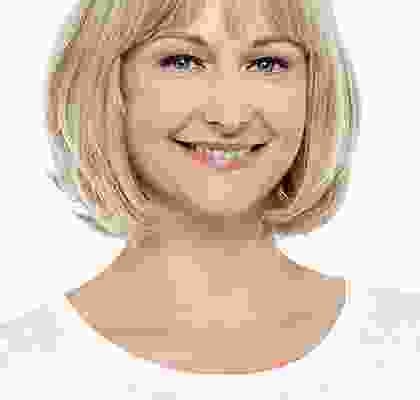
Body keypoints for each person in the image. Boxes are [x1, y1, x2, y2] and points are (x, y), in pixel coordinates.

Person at [3, 0, 418, 397]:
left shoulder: (403, 348)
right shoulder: (21, 368)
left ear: (315, 90)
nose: (229, 115)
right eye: (182, 61)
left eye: (267, 63)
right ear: (109, 83)